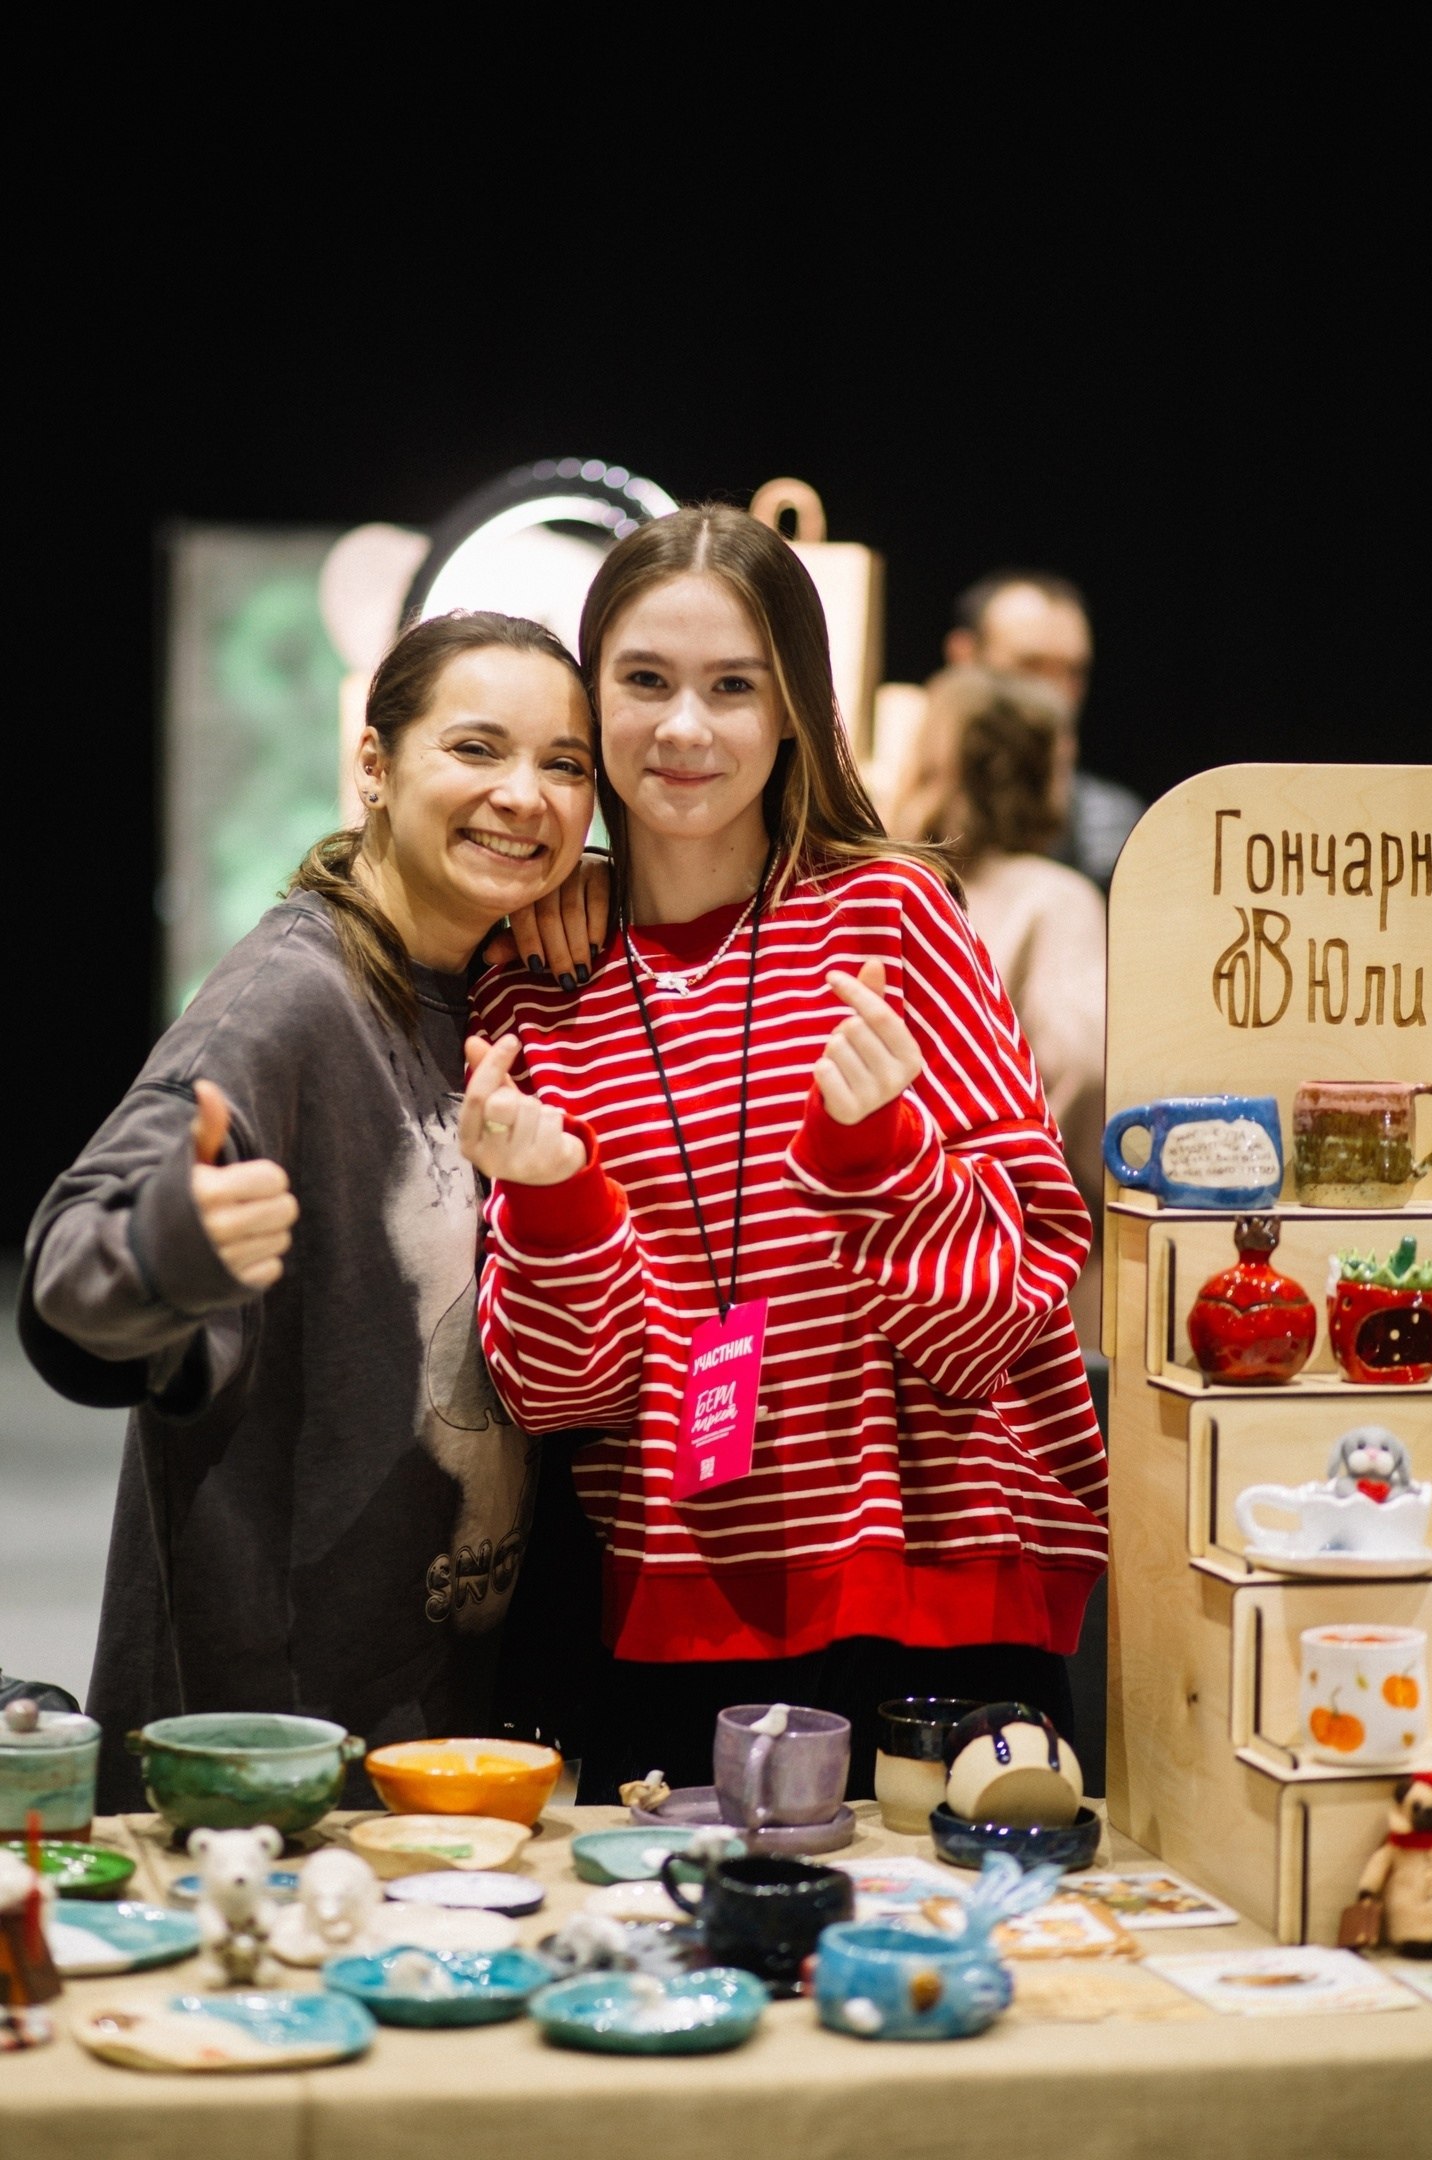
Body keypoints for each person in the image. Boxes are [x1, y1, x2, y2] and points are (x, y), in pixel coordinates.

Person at [462, 507, 1109, 1801]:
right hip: (676, 1617)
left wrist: (880, 1159)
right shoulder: (537, 981)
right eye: (644, 681)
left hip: (949, 1605)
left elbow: (1011, 1314)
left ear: (796, 710)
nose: (686, 728)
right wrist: (558, 1200)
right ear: (592, 704)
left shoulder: (892, 916)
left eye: (733, 686)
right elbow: (561, 1394)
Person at [20, 610, 604, 1811]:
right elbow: (70, 1265)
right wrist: (158, 1251)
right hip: (260, 1764)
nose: (526, 797)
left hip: (430, 1742)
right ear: (377, 766)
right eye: (477, 749)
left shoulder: (499, 992)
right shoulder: (287, 1002)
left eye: (565, 764)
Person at [889, 667, 1107, 1346]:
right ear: (1041, 772)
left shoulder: (892, 887)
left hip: (902, 1258)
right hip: (1023, 1277)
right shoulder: (1055, 898)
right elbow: (1082, 1064)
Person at [945, 569, 1143, 892]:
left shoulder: (1110, 833)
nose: (1055, 695)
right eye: (1030, 666)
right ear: (963, 657)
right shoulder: (886, 796)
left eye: (1072, 672)